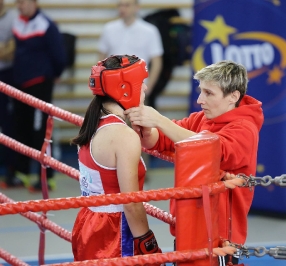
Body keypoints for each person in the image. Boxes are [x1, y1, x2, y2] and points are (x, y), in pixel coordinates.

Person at [124, 60, 264, 265]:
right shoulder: (201, 119)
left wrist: (159, 120)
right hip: (189, 226)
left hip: (219, 236)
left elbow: (213, 150)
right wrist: (144, 127)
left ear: (233, 96)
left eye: (209, 93)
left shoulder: (244, 128)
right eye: (201, 92)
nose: (200, 100)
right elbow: (162, 139)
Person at [71, 54, 162, 261]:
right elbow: (130, 202)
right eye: (141, 83)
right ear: (125, 88)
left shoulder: (93, 121)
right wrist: (146, 241)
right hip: (113, 230)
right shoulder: (122, 136)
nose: (145, 88)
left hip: (88, 221)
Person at [7, 0, 66, 191]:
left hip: (40, 85)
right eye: (17, 3)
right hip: (20, 85)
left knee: (41, 132)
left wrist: (53, 75)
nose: (19, 6)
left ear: (33, 2)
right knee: (20, 129)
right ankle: (21, 174)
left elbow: (59, 56)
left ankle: (47, 177)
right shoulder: (18, 22)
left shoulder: (46, 24)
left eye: (23, 2)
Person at [98, 0, 163, 108]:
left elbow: (157, 61)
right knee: (113, 121)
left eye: (127, 5)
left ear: (136, 7)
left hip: (138, 87)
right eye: (120, 5)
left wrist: (149, 87)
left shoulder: (150, 31)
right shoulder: (108, 29)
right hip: (112, 86)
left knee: (137, 122)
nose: (123, 8)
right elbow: (101, 58)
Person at [0, 0, 17, 185]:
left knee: (8, 124)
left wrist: (6, 49)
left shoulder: (12, 19)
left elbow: (10, 52)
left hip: (6, 77)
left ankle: (10, 172)